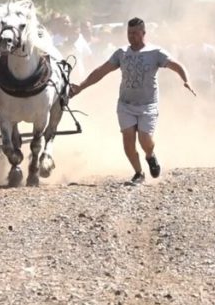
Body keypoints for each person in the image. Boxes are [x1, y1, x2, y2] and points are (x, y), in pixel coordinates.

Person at [69, 17, 194, 184]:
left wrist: (186, 80)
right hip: (125, 105)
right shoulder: (121, 53)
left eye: (135, 33)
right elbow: (101, 71)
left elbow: (176, 65)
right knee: (128, 141)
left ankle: (150, 156)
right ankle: (138, 173)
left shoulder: (155, 52)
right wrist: (81, 86)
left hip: (148, 105)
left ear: (143, 33)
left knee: (145, 140)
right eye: (129, 33)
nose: (131, 36)